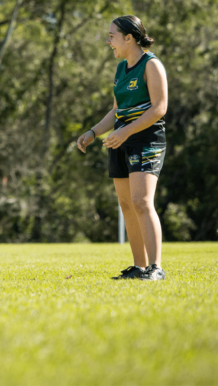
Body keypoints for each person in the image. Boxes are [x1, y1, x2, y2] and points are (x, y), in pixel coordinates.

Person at [76, 15, 168, 281]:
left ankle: (156, 268)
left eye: (112, 36)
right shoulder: (120, 69)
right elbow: (117, 111)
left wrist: (125, 131)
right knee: (127, 205)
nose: (109, 41)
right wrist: (94, 132)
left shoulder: (152, 65)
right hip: (120, 140)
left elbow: (159, 108)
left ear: (129, 38)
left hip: (146, 139)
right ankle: (139, 267)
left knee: (142, 201)